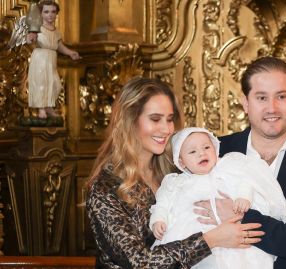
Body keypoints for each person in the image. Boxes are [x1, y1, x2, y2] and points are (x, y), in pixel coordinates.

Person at [86, 77, 264, 268]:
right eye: (155, 119)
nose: (166, 129)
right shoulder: (105, 187)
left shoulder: (176, 170)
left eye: (170, 119)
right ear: (130, 120)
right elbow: (140, 263)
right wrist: (210, 240)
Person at [194, 56, 286, 269]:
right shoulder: (214, 151)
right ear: (245, 103)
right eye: (261, 98)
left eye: (281, 96)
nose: (272, 108)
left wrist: (241, 217)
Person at [150, 127, 286, 269]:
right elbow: (163, 202)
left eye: (206, 147)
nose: (201, 153)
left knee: (244, 259)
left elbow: (245, 181)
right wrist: (159, 219)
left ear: (215, 149)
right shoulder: (176, 182)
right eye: (192, 152)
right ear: (181, 162)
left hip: (232, 231)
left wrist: (243, 197)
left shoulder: (226, 168)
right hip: (194, 234)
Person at [26, 0, 80, 119]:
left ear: (56, 14)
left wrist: (71, 53)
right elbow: (30, 39)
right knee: (41, 84)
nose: (50, 14)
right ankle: (41, 109)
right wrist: (30, 38)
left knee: (55, 84)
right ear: (41, 14)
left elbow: (59, 46)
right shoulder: (37, 27)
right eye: (46, 12)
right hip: (40, 58)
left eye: (53, 12)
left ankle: (48, 106)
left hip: (51, 59)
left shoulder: (56, 31)